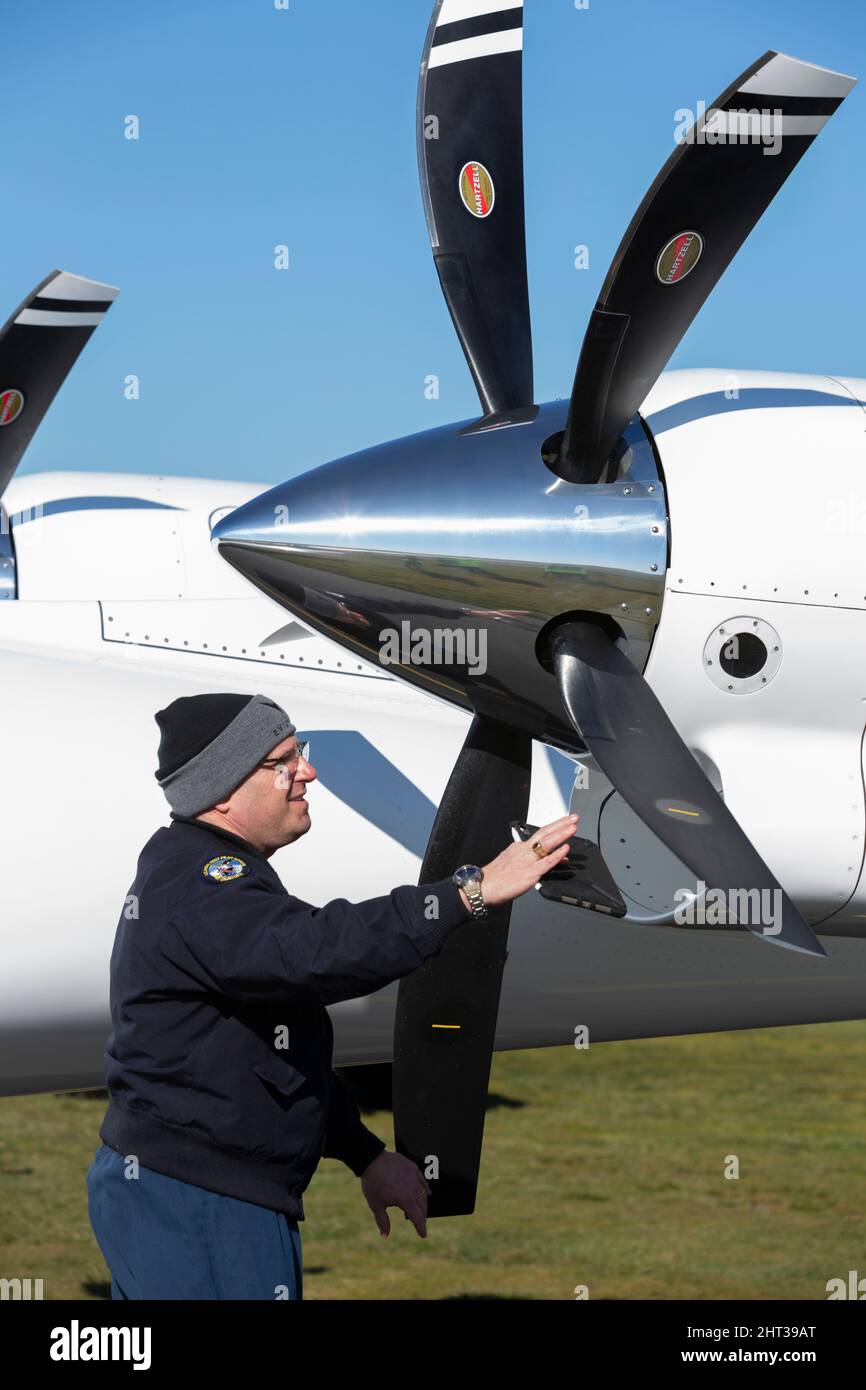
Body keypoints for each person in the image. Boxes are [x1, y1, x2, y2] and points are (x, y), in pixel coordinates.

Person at [86, 691, 578, 1299]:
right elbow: (318, 952)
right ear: (223, 789)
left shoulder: (202, 867)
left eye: (301, 752)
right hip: (203, 1203)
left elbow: (273, 1047)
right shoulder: (205, 884)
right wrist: (466, 894)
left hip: (198, 1191)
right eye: (284, 761)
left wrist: (363, 1152)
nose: (308, 772)